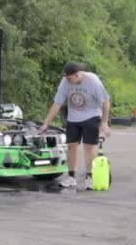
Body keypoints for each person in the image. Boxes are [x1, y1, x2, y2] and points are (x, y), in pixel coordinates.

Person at [39, 62, 111, 190]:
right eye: (66, 78)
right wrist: (46, 123)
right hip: (73, 117)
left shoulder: (93, 81)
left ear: (77, 75)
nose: (67, 81)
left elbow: (105, 101)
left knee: (89, 147)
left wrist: (104, 122)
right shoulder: (65, 81)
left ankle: (89, 177)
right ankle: (71, 177)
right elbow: (57, 103)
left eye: (69, 78)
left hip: (92, 116)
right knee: (71, 146)